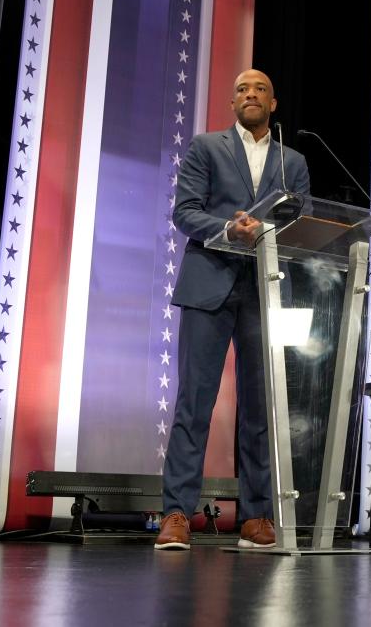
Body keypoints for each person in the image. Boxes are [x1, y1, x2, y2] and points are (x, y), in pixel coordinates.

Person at [154, 69, 311, 550]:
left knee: (260, 409)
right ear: (232, 102)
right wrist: (230, 228)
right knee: (194, 404)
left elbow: (300, 219)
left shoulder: (294, 161)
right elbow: (186, 211)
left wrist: (272, 234)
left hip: (264, 289)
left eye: (260, 88)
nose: (250, 94)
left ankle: (256, 516)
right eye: (241, 88)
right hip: (209, 285)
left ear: (274, 102)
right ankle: (177, 513)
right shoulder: (206, 147)